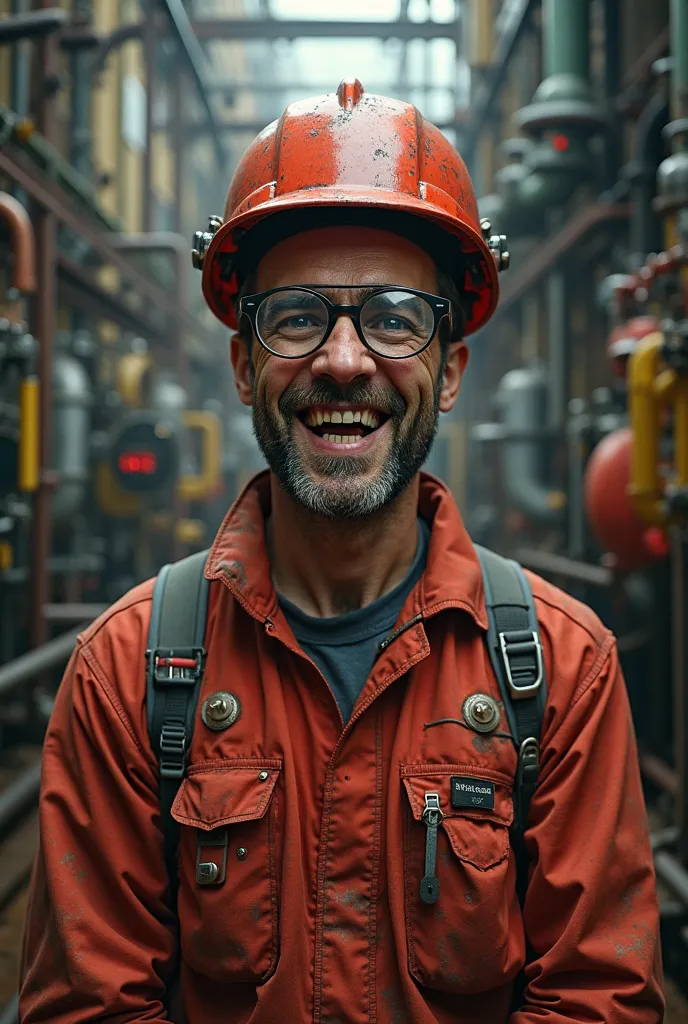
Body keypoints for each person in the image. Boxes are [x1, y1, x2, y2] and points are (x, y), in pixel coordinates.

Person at [20, 79, 664, 1023]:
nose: (345, 359)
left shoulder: (560, 673)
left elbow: (597, 998)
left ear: (448, 371)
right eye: (296, 316)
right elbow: (87, 1005)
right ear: (245, 365)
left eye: (396, 316)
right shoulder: (129, 672)